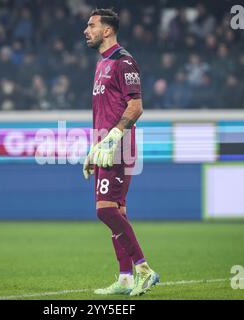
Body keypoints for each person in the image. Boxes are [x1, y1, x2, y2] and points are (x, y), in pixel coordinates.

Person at [82, 8, 160, 296]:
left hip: (119, 146)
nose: (85, 31)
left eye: (91, 25)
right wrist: (94, 149)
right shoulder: (101, 64)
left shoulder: (124, 61)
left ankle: (144, 269)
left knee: (105, 211)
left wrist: (114, 137)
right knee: (117, 211)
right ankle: (126, 276)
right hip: (105, 147)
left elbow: (136, 106)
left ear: (107, 30)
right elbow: (104, 113)